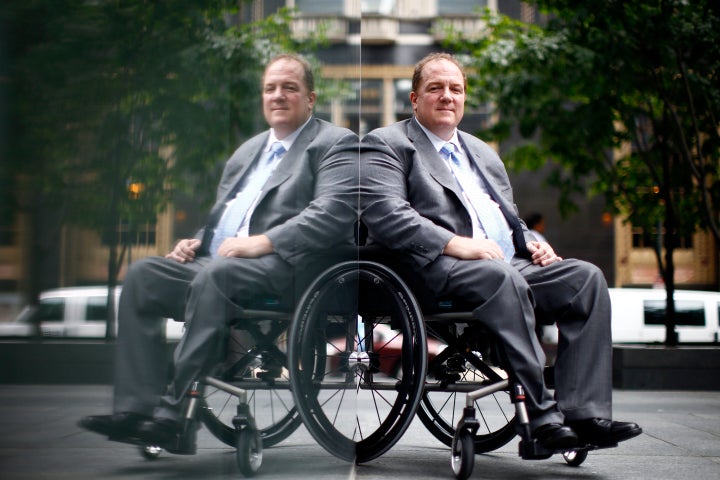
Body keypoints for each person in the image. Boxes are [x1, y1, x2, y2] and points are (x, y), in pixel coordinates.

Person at [360, 52, 641, 452]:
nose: (446, 96)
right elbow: (386, 215)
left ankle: (584, 415)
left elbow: (507, 220)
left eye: (455, 89)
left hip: (506, 262)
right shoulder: (386, 144)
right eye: (435, 88)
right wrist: (454, 243)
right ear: (414, 99)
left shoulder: (483, 153)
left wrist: (532, 242)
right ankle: (542, 421)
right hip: (434, 268)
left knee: (585, 279)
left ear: (464, 98)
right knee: (501, 277)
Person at [80, 54, 358, 452]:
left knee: (217, 276)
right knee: (142, 276)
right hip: (219, 263)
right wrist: (197, 240)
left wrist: (265, 241)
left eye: (289, 88)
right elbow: (228, 216)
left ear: (311, 98)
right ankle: (135, 411)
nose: (278, 95)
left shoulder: (334, 143)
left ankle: (175, 417)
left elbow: (333, 214)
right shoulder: (248, 152)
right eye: (270, 88)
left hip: (284, 270)